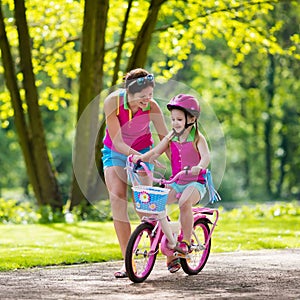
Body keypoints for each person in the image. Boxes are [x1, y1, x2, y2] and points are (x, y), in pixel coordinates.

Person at [101, 68, 168, 278]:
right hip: (115, 152)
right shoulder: (112, 102)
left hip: (144, 152)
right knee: (117, 198)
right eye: (142, 96)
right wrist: (136, 156)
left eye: (150, 95)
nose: (146, 100)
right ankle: (127, 261)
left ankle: (168, 248)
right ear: (128, 92)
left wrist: (152, 156)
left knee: (146, 207)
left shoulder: (152, 107)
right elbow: (118, 141)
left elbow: (166, 138)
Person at [132, 93, 210, 273]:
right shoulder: (170, 137)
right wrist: (139, 158)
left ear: (191, 119)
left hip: (195, 183)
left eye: (179, 119)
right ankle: (170, 234)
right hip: (176, 182)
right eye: (173, 119)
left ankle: (186, 242)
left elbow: (206, 156)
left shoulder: (198, 138)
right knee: (154, 203)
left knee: (184, 202)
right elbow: (155, 152)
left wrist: (199, 167)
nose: (174, 123)